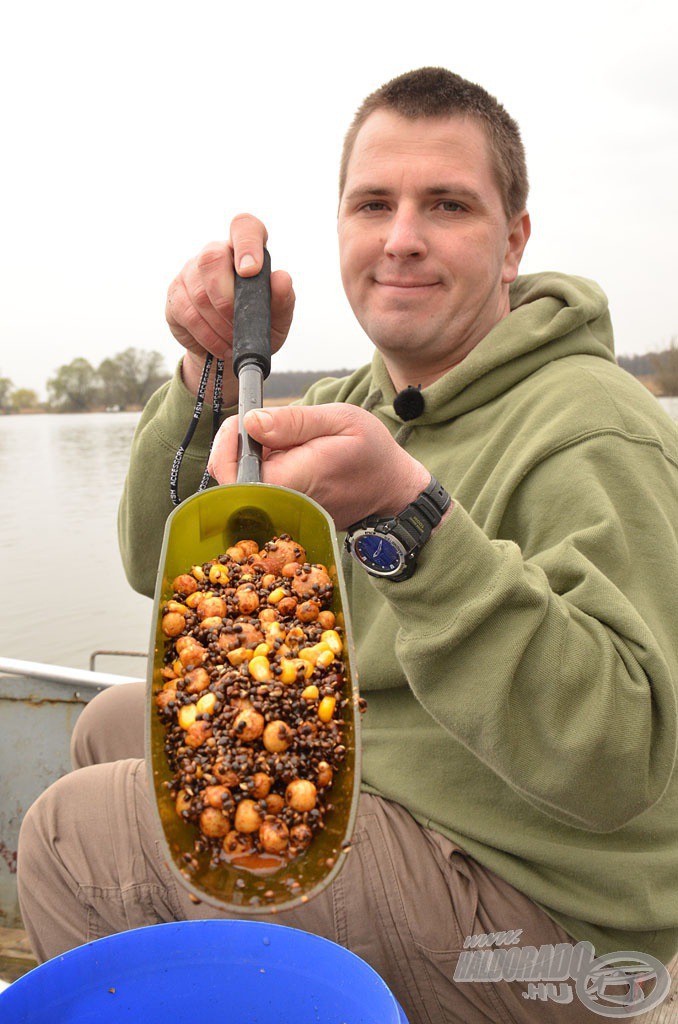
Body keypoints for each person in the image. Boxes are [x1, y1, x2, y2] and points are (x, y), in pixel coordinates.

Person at [17, 67, 678, 1024]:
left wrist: (413, 522)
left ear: (513, 240)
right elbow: (158, 566)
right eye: (374, 204)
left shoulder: (593, 430)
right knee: (116, 726)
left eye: (446, 204)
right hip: (403, 793)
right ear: (341, 231)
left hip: (556, 930)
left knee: (72, 833)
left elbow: (624, 762)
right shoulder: (364, 407)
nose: (402, 237)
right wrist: (209, 380)